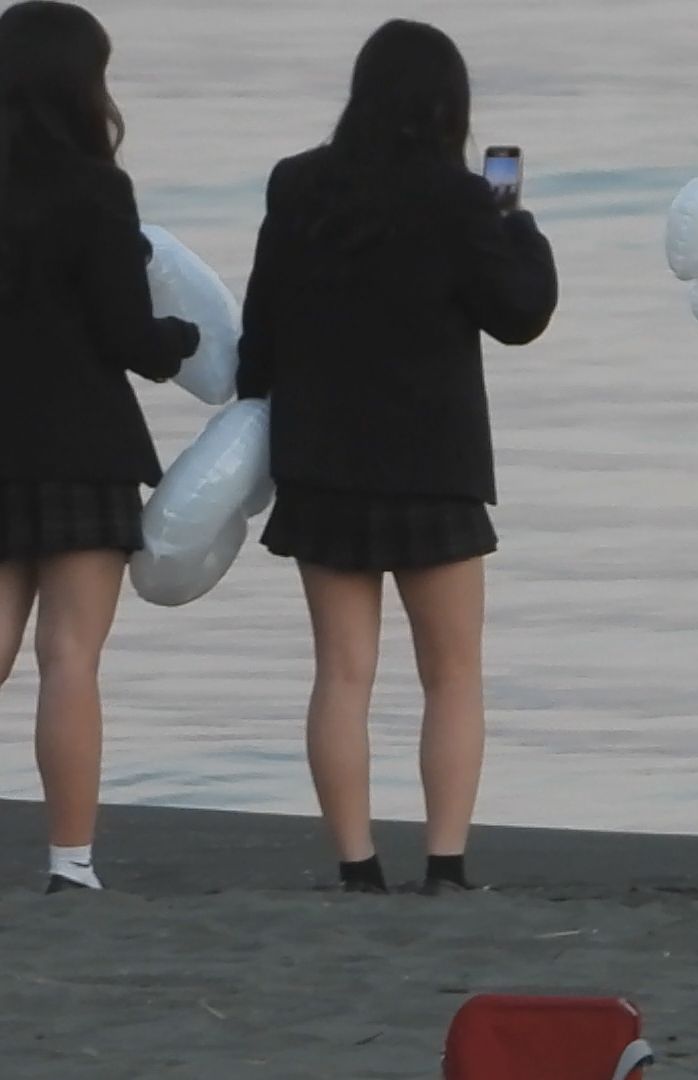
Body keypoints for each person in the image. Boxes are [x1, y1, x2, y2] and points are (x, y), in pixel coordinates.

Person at [235, 18, 558, 896]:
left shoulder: (298, 184)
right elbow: (521, 313)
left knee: (342, 673)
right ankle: (445, 865)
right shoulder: (462, 199)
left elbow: (260, 333)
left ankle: (357, 866)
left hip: (322, 463)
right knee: (451, 675)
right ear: (450, 106)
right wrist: (516, 223)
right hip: (432, 466)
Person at [0, 0, 200, 895]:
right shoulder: (96, 190)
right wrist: (183, 341)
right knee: (69, 656)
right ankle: (70, 864)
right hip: (81, 445)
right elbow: (129, 335)